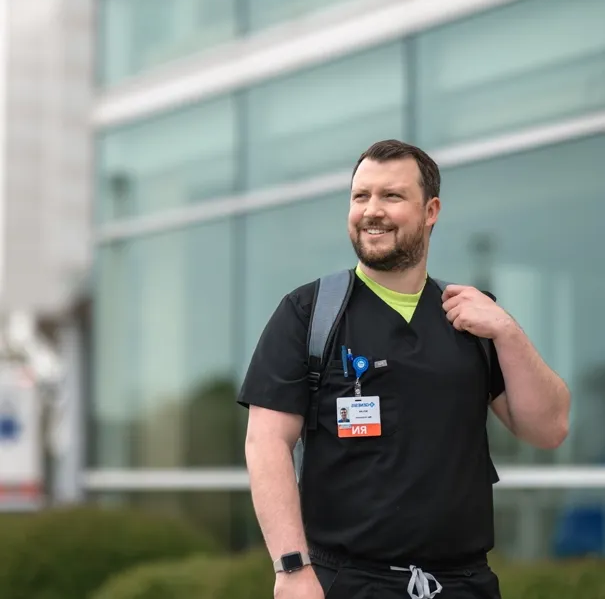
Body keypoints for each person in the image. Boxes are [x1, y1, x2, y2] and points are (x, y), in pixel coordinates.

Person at [237, 139, 570, 599]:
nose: (372, 210)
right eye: (361, 196)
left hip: (464, 584)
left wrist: (509, 333)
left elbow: (548, 429)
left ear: (431, 210)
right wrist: (292, 569)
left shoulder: (471, 316)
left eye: (391, 196)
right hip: (348, 583)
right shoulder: (309, 312)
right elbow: (266, 441)